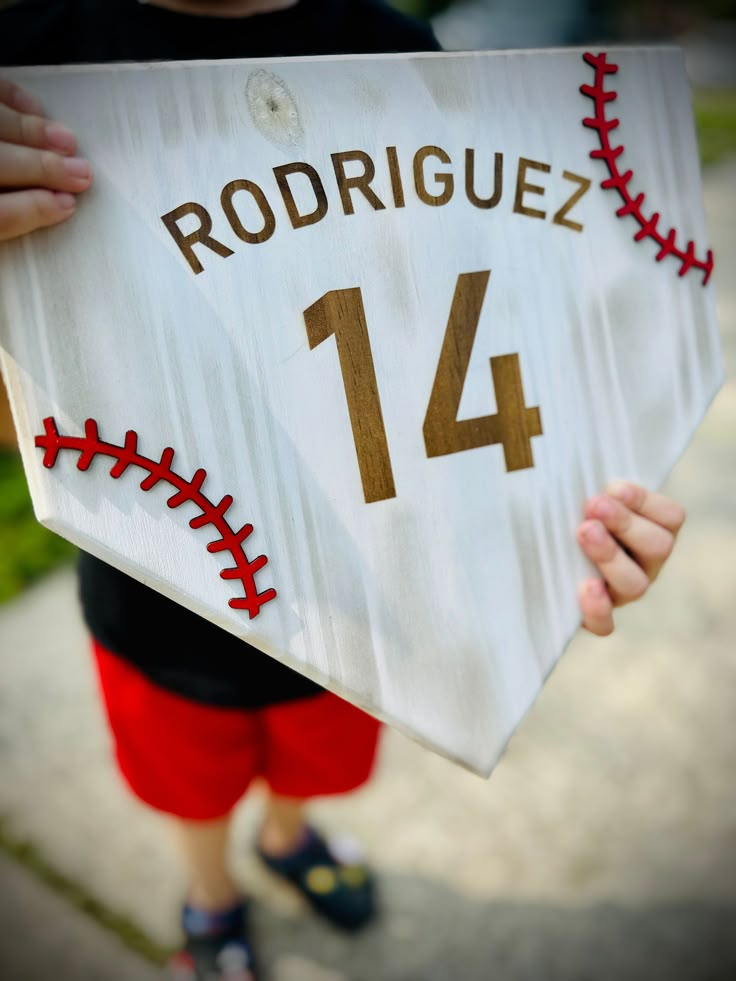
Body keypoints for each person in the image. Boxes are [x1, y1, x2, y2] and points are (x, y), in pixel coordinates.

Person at [0, 1, 687, 978]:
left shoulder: (394, 47)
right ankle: (211, 896)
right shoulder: (26, 67)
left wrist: (569, 504)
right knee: (191, 790)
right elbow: (33, 423)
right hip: (161, 581)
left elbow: (452, 311)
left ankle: (285, 841)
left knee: (317, 761)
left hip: (372, 583)